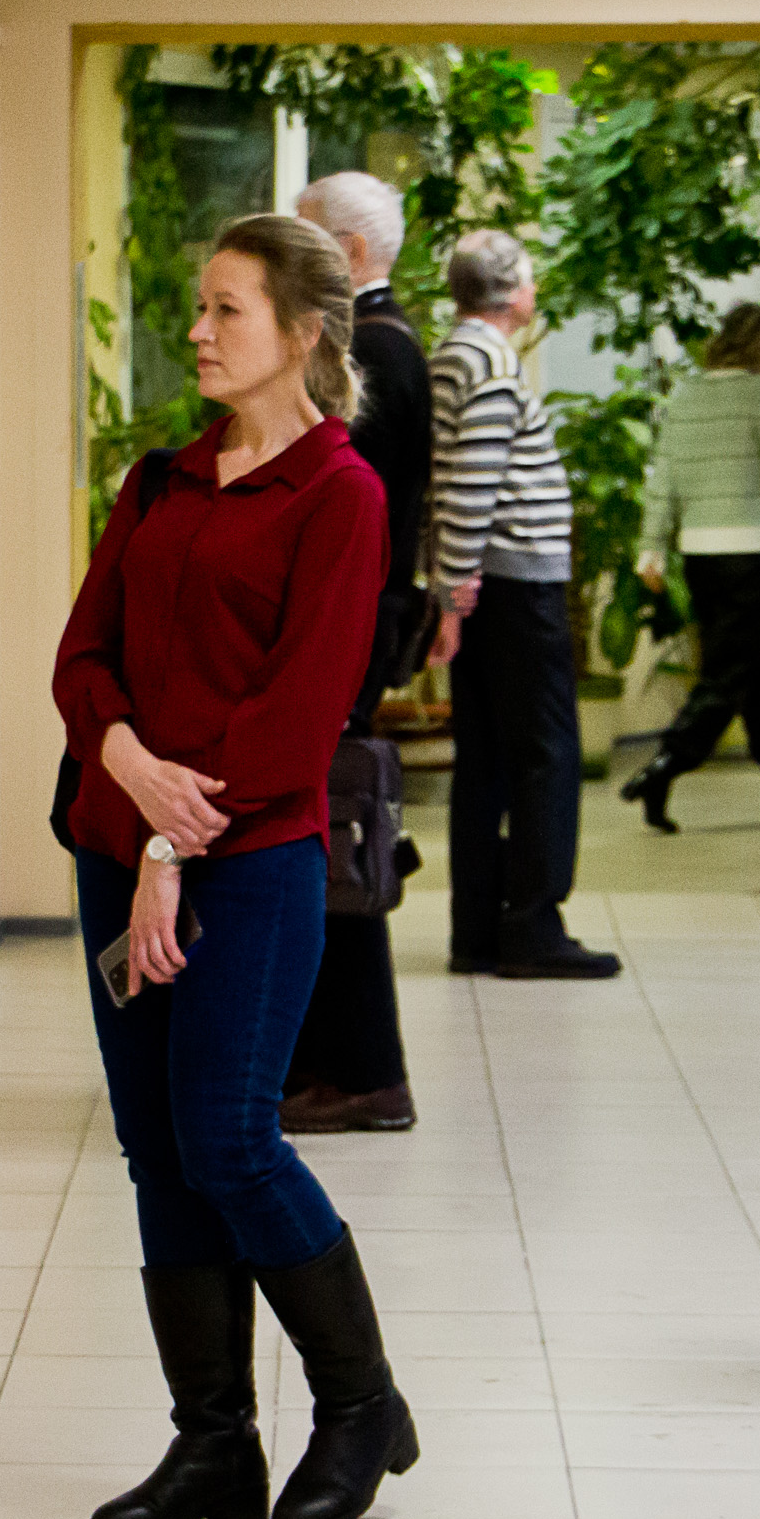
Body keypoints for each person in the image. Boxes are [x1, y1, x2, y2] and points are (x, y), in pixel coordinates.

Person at [52, 212, 418, 1519]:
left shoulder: (340, 495)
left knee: (227, 1138)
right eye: (198, 307)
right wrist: (129, 768)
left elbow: (295, 715)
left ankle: (360, 1406)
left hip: (249, 866)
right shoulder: (159, 482)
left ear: (303, 333)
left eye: (226, 311)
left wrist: (170, 839)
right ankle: (213, 1445)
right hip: (117, 847)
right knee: (156, 1150)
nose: (197, 332)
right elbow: (81, 659)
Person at [282, 172, 432, 1134]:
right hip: (360, 620)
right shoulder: (385, 339)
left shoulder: (372, 350)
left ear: (353, 253)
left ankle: (366, 1069)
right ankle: (330, 1060)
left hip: (350, 627)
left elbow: (347, 507)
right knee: (328, 836)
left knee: (337, 835)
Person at [430, 229, 619, 979]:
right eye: (531, 277)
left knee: (485, 758)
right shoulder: (491, 363)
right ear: (511, 292)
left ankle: (477, 929)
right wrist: (454, 590)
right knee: (546, 755)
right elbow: (472, 483)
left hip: (483, 583)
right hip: (513, 582)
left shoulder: (452, 354)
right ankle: (535, 924)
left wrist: (450, 584)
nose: (536, 289)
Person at [623, 302, 760, 833]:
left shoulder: (685, 396)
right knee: (731, 670)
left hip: (698, 554)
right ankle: (666, 764)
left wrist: (652, 546)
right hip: (748, 552)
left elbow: (664, 478)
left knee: (751, 667)